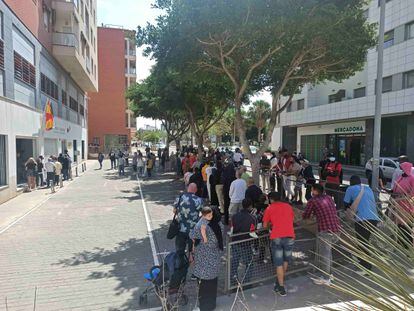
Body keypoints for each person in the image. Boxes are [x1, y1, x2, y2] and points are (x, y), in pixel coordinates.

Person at [303, 184, 340, 284]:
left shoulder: (313, 200)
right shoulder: (328, 198)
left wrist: (306, 218)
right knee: (328, 253)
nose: (311, 191)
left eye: (312, 190)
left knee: (325, 254)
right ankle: (330, 274)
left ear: (315, 191)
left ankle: (326, 278)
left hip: (325, 231)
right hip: (336, 229)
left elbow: (306, 214)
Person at [344, 175, 380, 275]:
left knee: (362, 243)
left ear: (350, 182)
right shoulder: (368, 188)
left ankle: (367, 268)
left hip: (362, 219)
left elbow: (345, 204)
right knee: (365, 242)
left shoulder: (350, 189)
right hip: (374, 219)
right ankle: (363, 262)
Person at [190, 206, 223, 311]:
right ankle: (212, 305)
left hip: (203, 263)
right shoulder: (219, 224)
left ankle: (204, 307)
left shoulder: (203, 225)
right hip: (215, 260)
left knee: (203, 288)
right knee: (212, 285)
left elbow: (193, 237)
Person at [263, 192, 295, 297]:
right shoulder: (288, 206)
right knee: (285, 260)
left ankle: (281, 287)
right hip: (290, 235)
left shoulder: (269, 208)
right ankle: (278, 282)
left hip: (277, 236)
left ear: (271, 199)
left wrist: (271, 224)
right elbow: (291, 219)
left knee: (278, 263)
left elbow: (265, 225)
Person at [230, 198, 257, 286]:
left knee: (234, 262)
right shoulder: (252, 218)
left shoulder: (235, 216)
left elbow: (232, 229)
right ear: (250, 206)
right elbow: (253, 232)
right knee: (249, 263)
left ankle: (233, 280)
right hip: (246, 243)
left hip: (235, 242)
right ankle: (247, 282)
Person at [174, 183, 203, 257]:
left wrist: (180, 215)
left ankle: (180, 261)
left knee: (180, 249)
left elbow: (174, 210)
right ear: (196, 190)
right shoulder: (199, 200)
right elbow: (204, 213)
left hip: (181, 228)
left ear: (187, 189)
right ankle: (191, 257)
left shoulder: (180, 198)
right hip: (193, 229)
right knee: (193, 248)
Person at [392, 162, 414, 248]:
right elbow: (395, 188)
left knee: (406, 226)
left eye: (402, 167)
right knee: (399, 226)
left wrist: (403, 196)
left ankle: (407, 246)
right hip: (398, 205)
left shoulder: (412, 178)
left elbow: (412, 192)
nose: (401, 169)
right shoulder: (400, 177)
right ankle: (400, 244)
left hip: (407, 207)